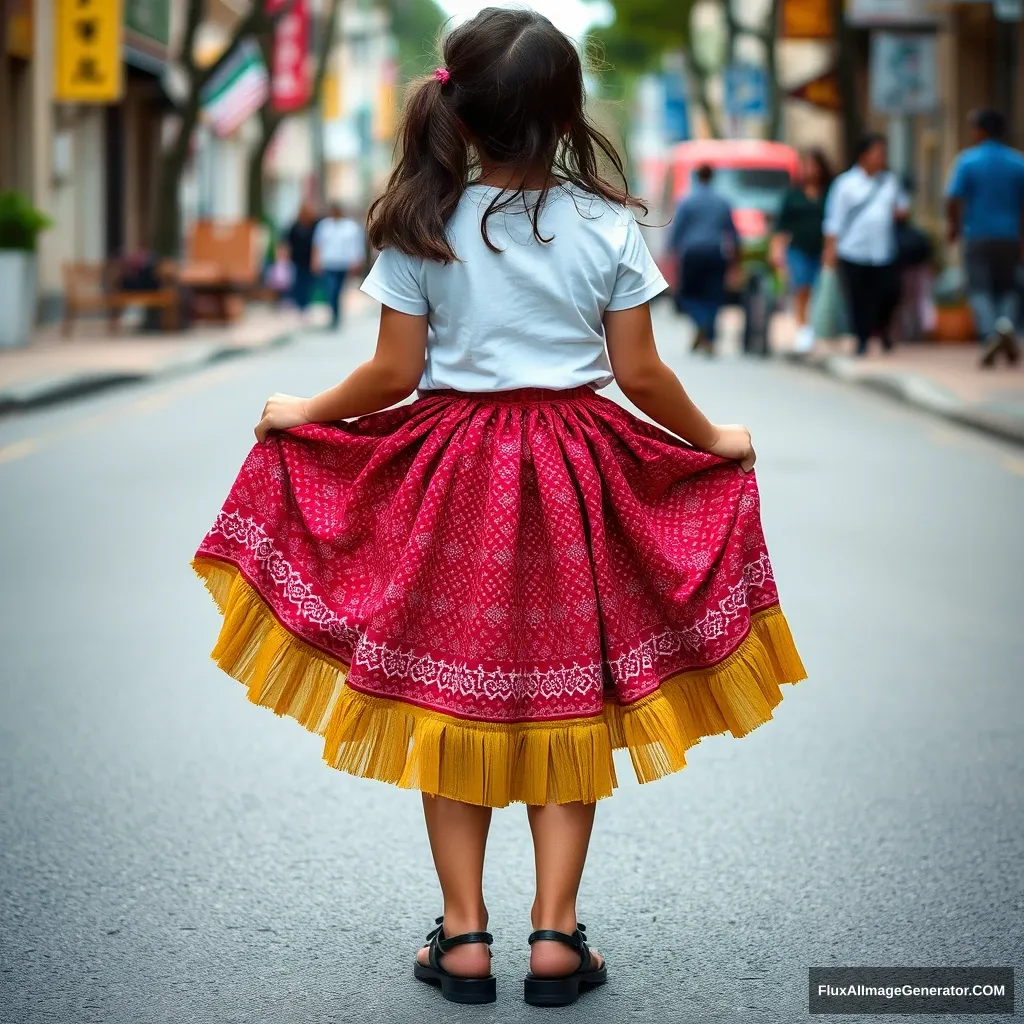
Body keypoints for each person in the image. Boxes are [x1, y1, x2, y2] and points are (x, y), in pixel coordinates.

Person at [192, 8, 805, 1010]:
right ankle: (557, 936)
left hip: (453, 479)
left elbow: (392, 375)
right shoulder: (606, 224)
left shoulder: (419, 223)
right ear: (566, 116)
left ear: (463, 115)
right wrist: (712, 439)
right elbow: (640, 374)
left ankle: (466, 937)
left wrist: (302, 410)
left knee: (454, 700)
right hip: (575, 475)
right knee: (573, 699)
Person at [946, 108, 1024, 367]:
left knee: (979, 287)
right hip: (1010, 236)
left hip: (977, 235)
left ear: (981, 130)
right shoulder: (1017, 162)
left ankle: (991, 333)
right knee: (1008, 287)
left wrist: (954, 228)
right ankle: (1007, 325)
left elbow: (953, 198)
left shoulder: (968, 161)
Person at [822, 133, 909, 356]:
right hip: (853, 249)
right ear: (863, 155)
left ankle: (883, 331)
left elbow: (902, 208)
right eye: (876, 152)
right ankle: (861, 339)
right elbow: (834, 220)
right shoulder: (845, 184)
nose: (881, 157)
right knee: (858, 298)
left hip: (884, 250)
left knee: (889, 293)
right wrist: (830, 251)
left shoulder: (890, 181)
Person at [669, 163, 740, 354]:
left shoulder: (687, 201)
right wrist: (736, 261)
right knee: (713, 296)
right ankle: (708, 334)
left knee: (688, 295)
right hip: (715, 253)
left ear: (696, 177)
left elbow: (676, 233)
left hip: (692, 254)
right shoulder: (722, 202)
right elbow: (733, 234)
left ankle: (701, 324)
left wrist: (672, 256)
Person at [772, 149, 833, 352]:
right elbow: (781, 225)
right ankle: (803, 329)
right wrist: (776, 250)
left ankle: (815, 327)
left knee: (818, 288)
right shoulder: (793, 195)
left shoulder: (829, 193)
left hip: (822, 249)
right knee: (801, 287)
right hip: (798, 248)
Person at [313, 202, 365, 328]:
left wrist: (357, 261)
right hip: (328, 262)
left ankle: (337, 314)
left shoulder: (350, 227)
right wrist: (315, 261)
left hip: (343, 263)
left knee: (338, 290)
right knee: (331, 290)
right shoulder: (324, 226)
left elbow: (357, 245)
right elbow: (317, 245)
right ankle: (333, 315)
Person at [286, 201, 319, 318]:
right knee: (298, 283)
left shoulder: (315, 225)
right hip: (297, 259)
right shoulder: (295, 226)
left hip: (310, 260)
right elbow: (288, 242)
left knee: (309, 283)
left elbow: (319, 243)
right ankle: (300, 305)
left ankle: (306, 305)